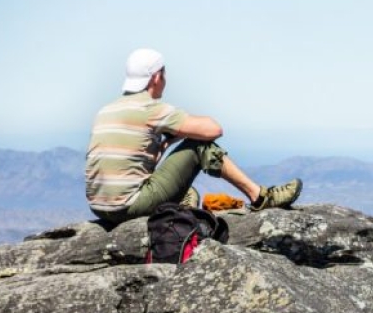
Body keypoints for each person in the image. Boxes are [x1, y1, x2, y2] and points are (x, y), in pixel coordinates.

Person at [85, 48, 302, 225]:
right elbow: (213, 129)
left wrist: (167, 141)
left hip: (99, 208)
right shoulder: (149, 108)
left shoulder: (106, 110)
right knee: (200, 144)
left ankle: (180, 202)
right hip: (129, 207)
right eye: (164, 74)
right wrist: (181, 131)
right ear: (157, 77)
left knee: (187, 189)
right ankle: (261, 197)